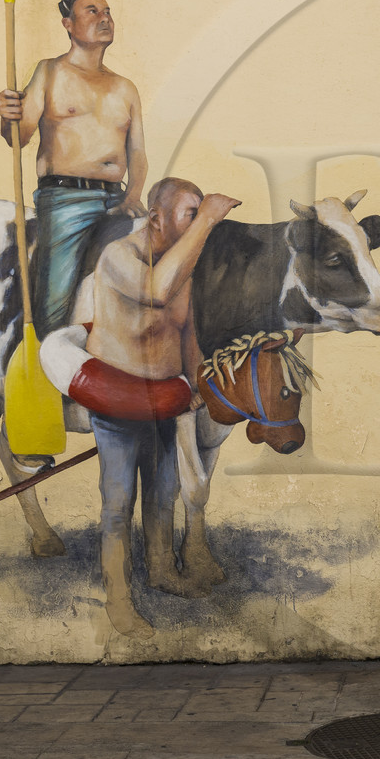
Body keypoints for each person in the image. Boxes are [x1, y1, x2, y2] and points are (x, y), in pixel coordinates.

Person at [85, 177, 239, 635]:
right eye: (189, 213)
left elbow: (185, 328)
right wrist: (210, 217)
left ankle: (163, 572)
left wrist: (196, 381)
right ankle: (118, 597)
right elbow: (155, 291)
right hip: (117, 400)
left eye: (198, 212)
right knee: (118, 503)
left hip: (166, 401)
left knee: (163, 493)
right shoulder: (119, 257)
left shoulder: (182, 265)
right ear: (156, 218)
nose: (198, 222)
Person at [0, 0, 148, 337]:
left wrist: (133, 195)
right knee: (54, 304)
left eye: (107, 11)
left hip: (118, 198)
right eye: (92, 11)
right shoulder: (50, 72)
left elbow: (137, 151)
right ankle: (49, 362)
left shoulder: (125, 87)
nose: (104, 17)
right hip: (66, 201)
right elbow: (18, 138)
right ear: (68, 23)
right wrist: (8, 116)